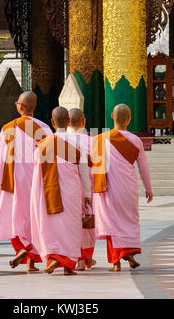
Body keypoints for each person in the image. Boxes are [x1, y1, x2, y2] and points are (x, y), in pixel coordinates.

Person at [0, 92, 52, 272]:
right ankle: (31, 261)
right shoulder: (44, 129)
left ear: (20, 106)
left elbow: (1, 159)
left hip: (13, 179)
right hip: (36, 179)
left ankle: (22, 248)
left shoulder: (7, 128)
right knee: (33, 219)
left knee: (13, 217)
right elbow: (49, 158)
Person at [30, 107, 92, 275]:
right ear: (69, 122)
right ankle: (66, 265)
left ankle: (54, 257)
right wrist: (88, 195)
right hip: (72, 192)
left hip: (47, 194)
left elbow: (36, 174)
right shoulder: (78, 143)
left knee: (52, 227)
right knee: (71, 227)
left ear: (52, 122)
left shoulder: (42, 145)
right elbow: (84, 173)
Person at [92, 104, 153, 271]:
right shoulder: (136, 140)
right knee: (128, 221)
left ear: (112, 116)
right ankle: (128, 252)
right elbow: (143, 167)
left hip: (108, 188)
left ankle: (116, 263)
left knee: (112, 222)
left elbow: (92, 166)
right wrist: (148, 188)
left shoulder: (99, 139)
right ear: (129, 118)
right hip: (128, 188)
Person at [67, 108, 96, 271]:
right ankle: (87, 258)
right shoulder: (92, 142)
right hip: (89, 188)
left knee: (72, 223)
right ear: (83, 121)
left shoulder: (62, 141)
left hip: (68, 187)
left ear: (67, 122)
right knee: (88, 225)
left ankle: (76, 258)